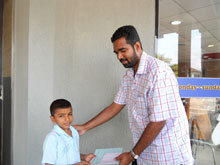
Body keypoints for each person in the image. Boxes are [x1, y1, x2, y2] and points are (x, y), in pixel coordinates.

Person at [74, 25, 193, 165]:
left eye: (123, 50)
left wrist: (131, 155)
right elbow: (115, 107)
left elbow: (159, 121)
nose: (119, 57)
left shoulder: (159, 72)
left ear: (137, 46)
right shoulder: (129, 76)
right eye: (116, 52)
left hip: (168, 157)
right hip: (145, 156)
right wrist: (85, 127)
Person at [42, 99, 95, 165]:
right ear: (53, 119)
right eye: (61, 116)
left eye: (69, 114)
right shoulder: (52, 138)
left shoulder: (74, 132)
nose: (67, 119)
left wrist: (84, 157)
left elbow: (68, 152)